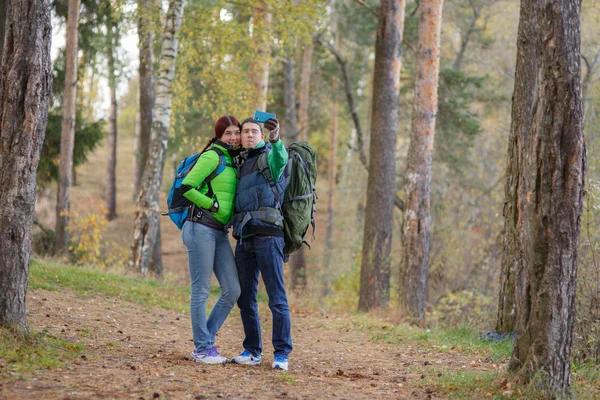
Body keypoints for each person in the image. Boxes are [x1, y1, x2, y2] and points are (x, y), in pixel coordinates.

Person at [230, 117, 292, 371]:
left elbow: (281, 157)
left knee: (276, 297)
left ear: (262, 135)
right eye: (245, 132)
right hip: (244, 238)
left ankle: (281, 354)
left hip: (269, 236)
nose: (249, 135)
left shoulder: (271, 157)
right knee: (245, 298)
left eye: (254, 131)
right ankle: (252, 350)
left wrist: (276, 137)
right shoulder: (238, 162)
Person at [179, 115, 242, 364]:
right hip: (199, 228)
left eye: (236, 132)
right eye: (228, 133)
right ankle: (203, 349)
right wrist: (212, 204)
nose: (233, 137)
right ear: (218, 135)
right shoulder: (212, 156)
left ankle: (206, 341)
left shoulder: (233, 159)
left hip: (219, 232)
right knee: (201, 289)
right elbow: (187, 186)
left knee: (232, 289)